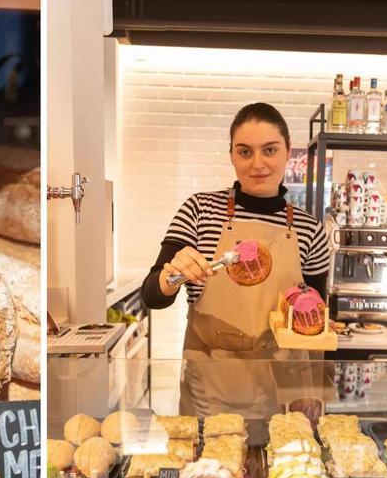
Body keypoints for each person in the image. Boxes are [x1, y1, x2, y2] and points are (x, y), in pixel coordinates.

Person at [140, 102, 332, 418]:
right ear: (231, 155)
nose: (258, 163)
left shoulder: (309, 228)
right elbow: (151, 296)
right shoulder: (200, 211)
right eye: (245, 152)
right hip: (213, 389)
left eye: (270, 150)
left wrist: (312, 395)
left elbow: (315, 314)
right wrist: (171, 275)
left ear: (288, 151)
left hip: (284, 390)